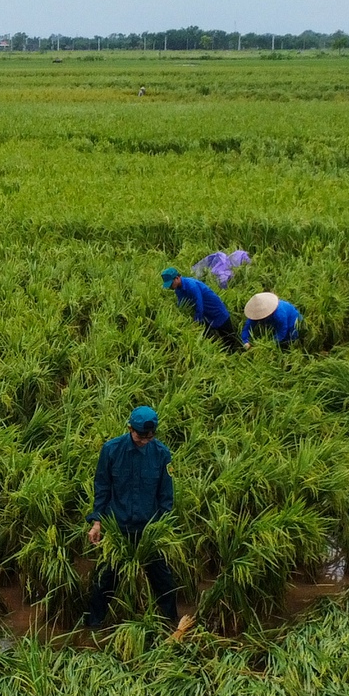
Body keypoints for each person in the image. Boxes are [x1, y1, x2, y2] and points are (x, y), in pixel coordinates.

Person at [84, 406, 188, 634]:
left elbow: (165, 496)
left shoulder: (162, 454)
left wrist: (161, 530)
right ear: (130, 428)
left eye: (149, 437)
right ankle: (92, 628)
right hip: (117, 528)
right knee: (105, 581)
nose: (144, 441)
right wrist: (97, 522)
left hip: (148, 531)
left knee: (163, 581)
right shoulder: (111, 450)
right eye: (140, 436)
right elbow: (102, 487)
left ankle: (173, 625)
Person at [161, 267, 241, 352]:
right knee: (209, 339)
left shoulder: (192, 285)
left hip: (217, 312)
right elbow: (182, 304)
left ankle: (238, 354)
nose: (170, 287)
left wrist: (196, 321)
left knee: (229, 339)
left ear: (177, 278)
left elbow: (199, 304)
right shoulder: (178, 290)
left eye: (171, 284)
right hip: (206, 315)